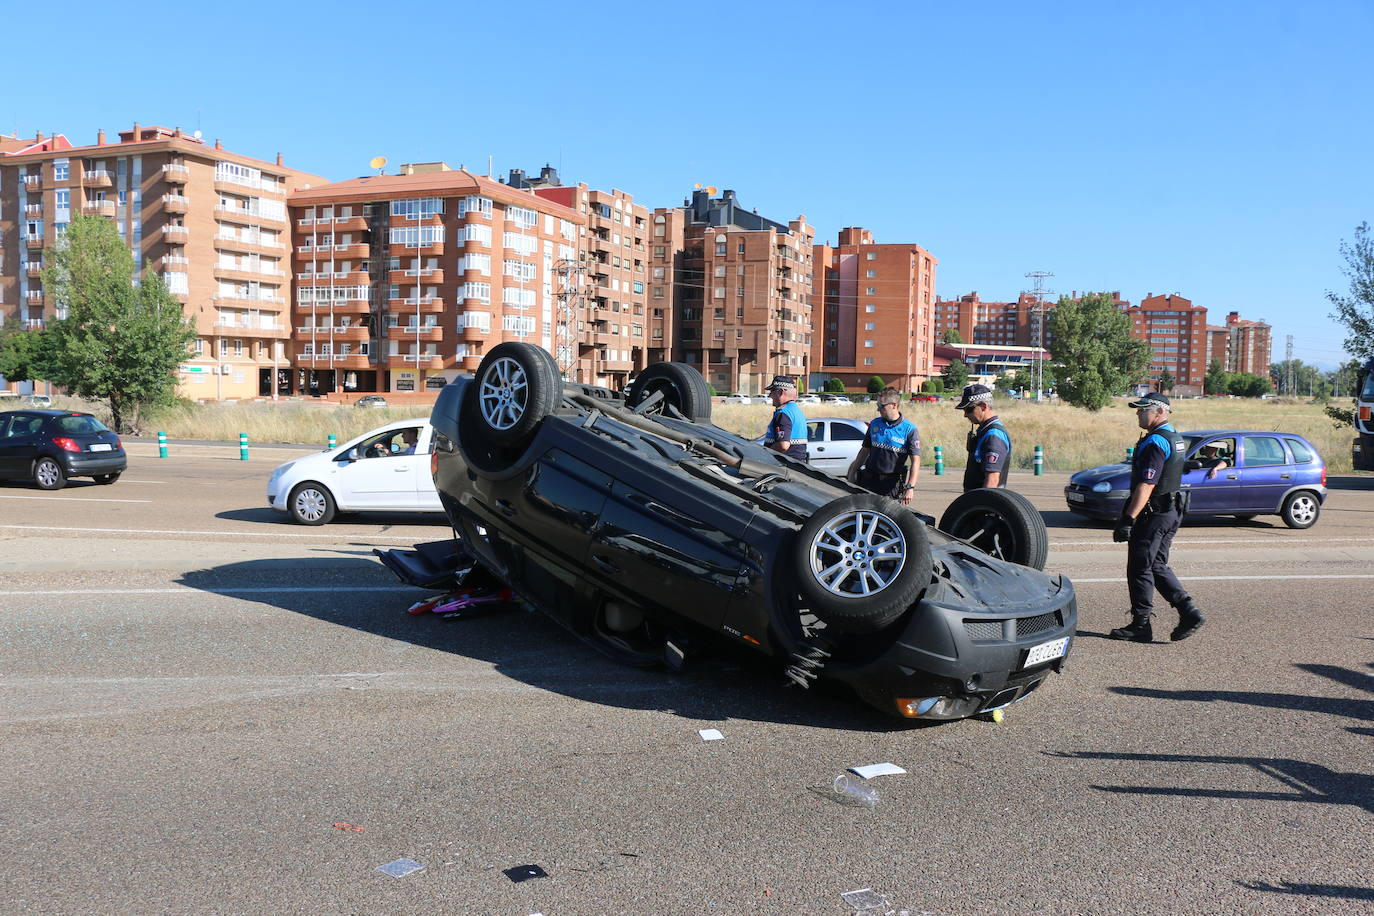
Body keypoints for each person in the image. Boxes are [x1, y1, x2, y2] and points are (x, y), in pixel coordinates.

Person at [1109, 391, 1205, 643]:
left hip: (1153, 514)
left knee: (1140, 567)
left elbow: (1146, 484)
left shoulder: (1156, 442)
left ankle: (1141, 625)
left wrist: (1128, 518)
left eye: (1143, 410)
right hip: (1170, 512)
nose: (1139, 414)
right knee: (1156, 565)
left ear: (1160, 411)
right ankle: (1189, 611)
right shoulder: (1175, 437)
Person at [846, 387, 921, 505]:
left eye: (882, 406)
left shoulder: (909, 430)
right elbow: (864, 451)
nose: (878, 409)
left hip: (890, 485)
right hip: (869, 480)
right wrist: (852, 473)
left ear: (894, 405)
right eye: (877, 404)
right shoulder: (875, 423)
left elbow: (915, 461)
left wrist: (910, 487)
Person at [955, 384, 1011, 491]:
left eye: (969, 409)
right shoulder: (984, 431)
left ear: (984, 407)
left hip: (984, 502)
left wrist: (982, 504)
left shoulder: (993, 436)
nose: (965, 415)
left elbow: (992, 479)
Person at [762, 375, 808, 461]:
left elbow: (783, 445)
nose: (770, 396)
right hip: (796, 464)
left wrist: (765, 454)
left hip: (784, 465)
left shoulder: (783, 414)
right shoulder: (795, 410)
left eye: (772, 392)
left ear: (780, 392)